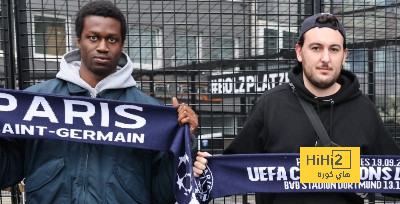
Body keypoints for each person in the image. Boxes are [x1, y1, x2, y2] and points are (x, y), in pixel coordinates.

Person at [0, 1, 198, 203]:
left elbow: (162, 193)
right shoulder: (37, 101)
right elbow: (6, 173)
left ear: (122, 45)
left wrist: (184, 140)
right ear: (79, 40)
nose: (103, 47)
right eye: (93, 38)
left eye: (112, 39)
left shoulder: (148, 112)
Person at [193, 13, 400, 204]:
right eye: (316, 48)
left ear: (344, 55)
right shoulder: (270, 105)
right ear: (300, 52)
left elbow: (393, 176)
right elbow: (233, 168)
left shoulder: (364, 110)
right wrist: (206, 168)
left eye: (334, 49)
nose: (325, 58)